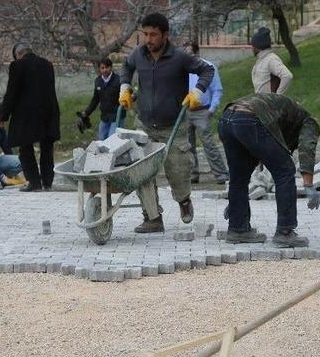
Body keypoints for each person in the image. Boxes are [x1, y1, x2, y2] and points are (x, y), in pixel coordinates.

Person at [119, 12, 215, 233]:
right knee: (141, 173)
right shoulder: (138, 55)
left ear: (165, 35)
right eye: (145, 34)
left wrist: (197, 90)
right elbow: (126, 67)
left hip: (174, 124)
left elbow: (206, 69)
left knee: (178, 170)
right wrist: (125, 87)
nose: (148, 39)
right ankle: (152, 218)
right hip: (145, 125)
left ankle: (184, 200)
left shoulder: (179, 57)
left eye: (153, 35)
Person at [218, 93, 320, 248]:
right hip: (250, 118)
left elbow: (254, 156)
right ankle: (285, 233)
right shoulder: (308, 122)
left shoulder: (281, 115)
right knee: (285, 171)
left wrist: (236, 205)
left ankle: (238, 228)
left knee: (239, 176)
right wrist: (309, 185)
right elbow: (307, 148)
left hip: (227, 118)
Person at [1, 43, 61, 192]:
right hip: (48, 111)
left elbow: (12, 93)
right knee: (47, 148)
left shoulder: (17, 66)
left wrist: (3, 115)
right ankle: (47, 182)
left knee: (25, 148)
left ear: (18, 54)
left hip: (27, 114)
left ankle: (34, 182)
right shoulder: (47, 64)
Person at [181, 41, 228, 185]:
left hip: (203, 111)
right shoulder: (182, 69)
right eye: (186, 53)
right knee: (187, 146)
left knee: (209, 144)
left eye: (191, 53)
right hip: (185, 111)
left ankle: (221, 175)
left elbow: (217, 90)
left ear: (197, 53)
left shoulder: (208, 67)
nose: (188, 56)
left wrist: (212, 109)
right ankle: (192, 175)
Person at [80, 57, 121, 140]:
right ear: (99, 69)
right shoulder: (98, 81)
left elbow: (127, 94)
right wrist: (86, 112)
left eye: (107, 67)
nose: (105, 70)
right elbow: (95, 100)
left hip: (117, 116)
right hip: (104, 116)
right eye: (102, 68)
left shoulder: (118, 80)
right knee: (101, 140)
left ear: (111, 67)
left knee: (112, 140)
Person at [250, 27, 293, 95]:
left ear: (258, 47)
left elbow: (287, 76)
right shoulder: (261, 61)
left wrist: (277, 97)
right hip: (261, 102)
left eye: (253, 46)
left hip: (269, 103)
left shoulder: (271, 59)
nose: (252, 49)